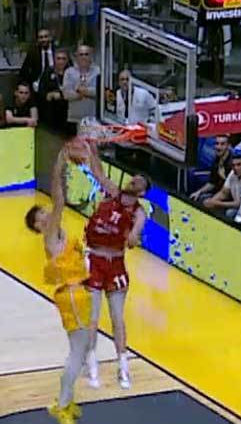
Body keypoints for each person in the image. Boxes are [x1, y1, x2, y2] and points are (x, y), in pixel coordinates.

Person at [25, 147, 91, 424]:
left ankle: (66, 399)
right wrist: (60, 163)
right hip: (72, 294)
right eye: (42, 213)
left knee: (80, 349)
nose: (48, 213)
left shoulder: (60, 234)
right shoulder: (50, 234)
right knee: (79, 351)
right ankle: (61, 405)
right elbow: (60, 199)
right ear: (39, 225)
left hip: (77, 292)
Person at [85, 143, 148, 390]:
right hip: (94, 259)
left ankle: (123, 366)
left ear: (142, 191)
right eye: (134, 177)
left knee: (117, 319)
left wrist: (132, 236)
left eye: (139, 181)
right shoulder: (112, 192)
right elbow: (97, 172)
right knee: (91, 318)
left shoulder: (139, 213)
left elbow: (132, 239)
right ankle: (92, 364)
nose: (134, 180)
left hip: (115, 263)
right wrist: (92, 148)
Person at [203, 153, 241, 219]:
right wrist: (212, 201)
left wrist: (216, 204)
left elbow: (239, 204)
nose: (235, 168)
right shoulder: (233, 173)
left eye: (239, 165)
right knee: (206, 200)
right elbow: (224, 193)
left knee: (230, 213)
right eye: (233, 165)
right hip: (240, 206)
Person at [63, 45, 100, 124]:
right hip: (73, 119)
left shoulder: (97, 71)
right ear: (76, 57)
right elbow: (66, 94)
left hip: (93, 119)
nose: (84, 57)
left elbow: (99, 92)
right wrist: (83, 94)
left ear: (91, 56)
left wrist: (81, 90)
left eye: (86, 54)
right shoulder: (69, 72)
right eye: (81, 54)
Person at [189, 135, 233, 201]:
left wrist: (212, 201)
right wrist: (199, 192)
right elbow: (212, 183)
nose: (218, 147)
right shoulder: (216, 159)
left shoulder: (233, 164)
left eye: (222, 144)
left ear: (228, 146)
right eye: (217, 144)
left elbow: (228, 191)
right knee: (198, 197)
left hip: (230, 196)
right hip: (218, 192)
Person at [20, 29, 56, 94]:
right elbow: (24, 71)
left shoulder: (57, 51)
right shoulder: (33, 53)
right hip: (37, 87)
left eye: (46, 36)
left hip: (55, 85)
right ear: (38, 40)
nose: (43, 39)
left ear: (50, 38)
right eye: (41, 37)